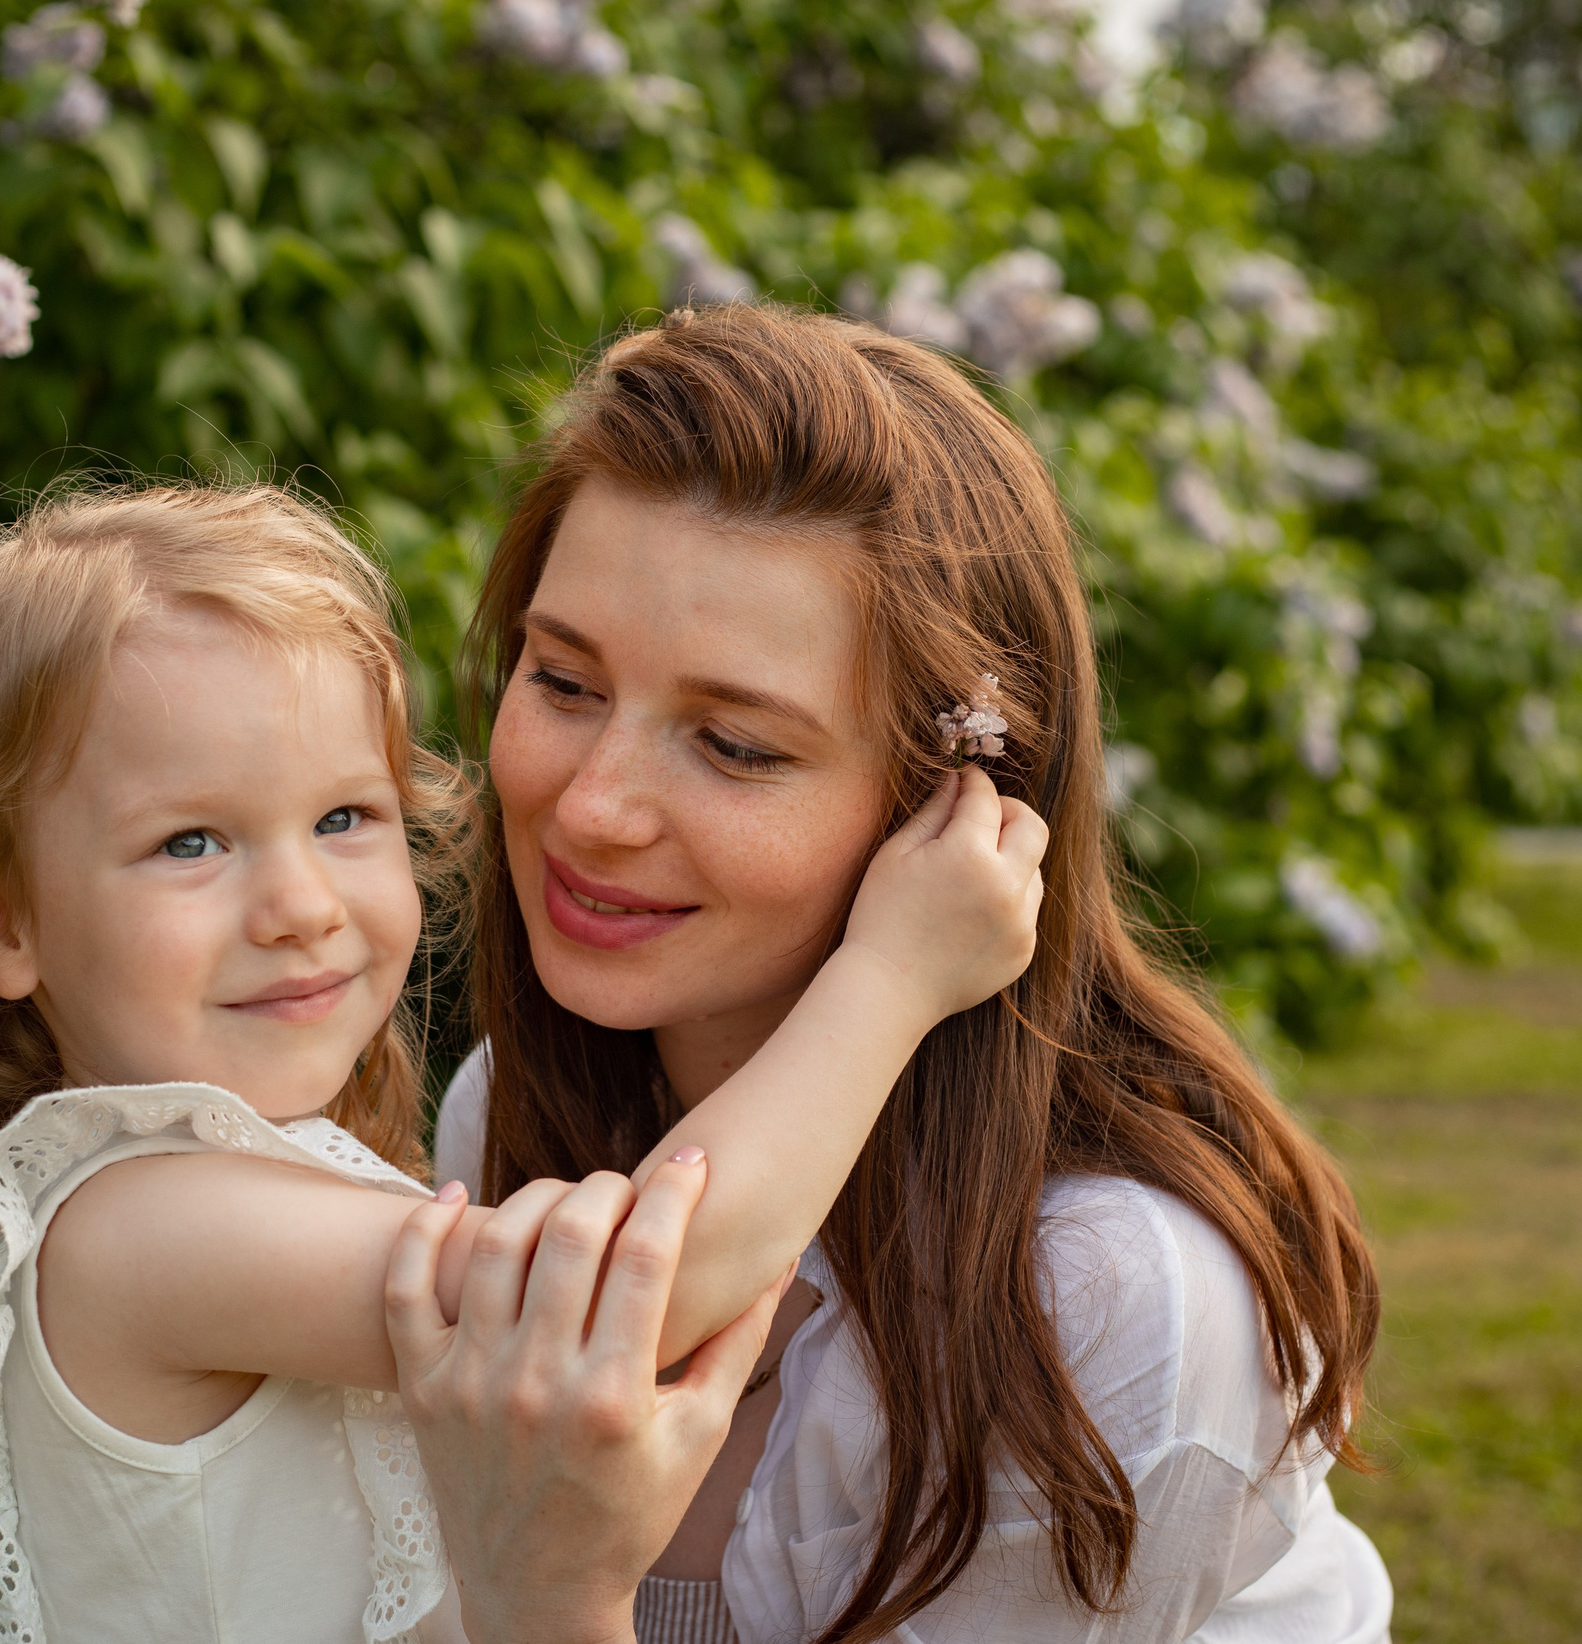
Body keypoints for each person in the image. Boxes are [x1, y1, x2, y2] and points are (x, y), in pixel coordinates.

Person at [0, 481, 1049, 1643]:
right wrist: (892, 979)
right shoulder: (138, 1226)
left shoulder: (232, 1185)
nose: (300, 906)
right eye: (190, 842)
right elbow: (624, 1299)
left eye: (342, 818)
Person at [415, 304, 1394, 1643]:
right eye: (565, 681)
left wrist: (554, 1605)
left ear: (957, 809)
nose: (591, 807)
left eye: (737, 745)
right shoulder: (507, 1111)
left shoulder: (1107, 1297)